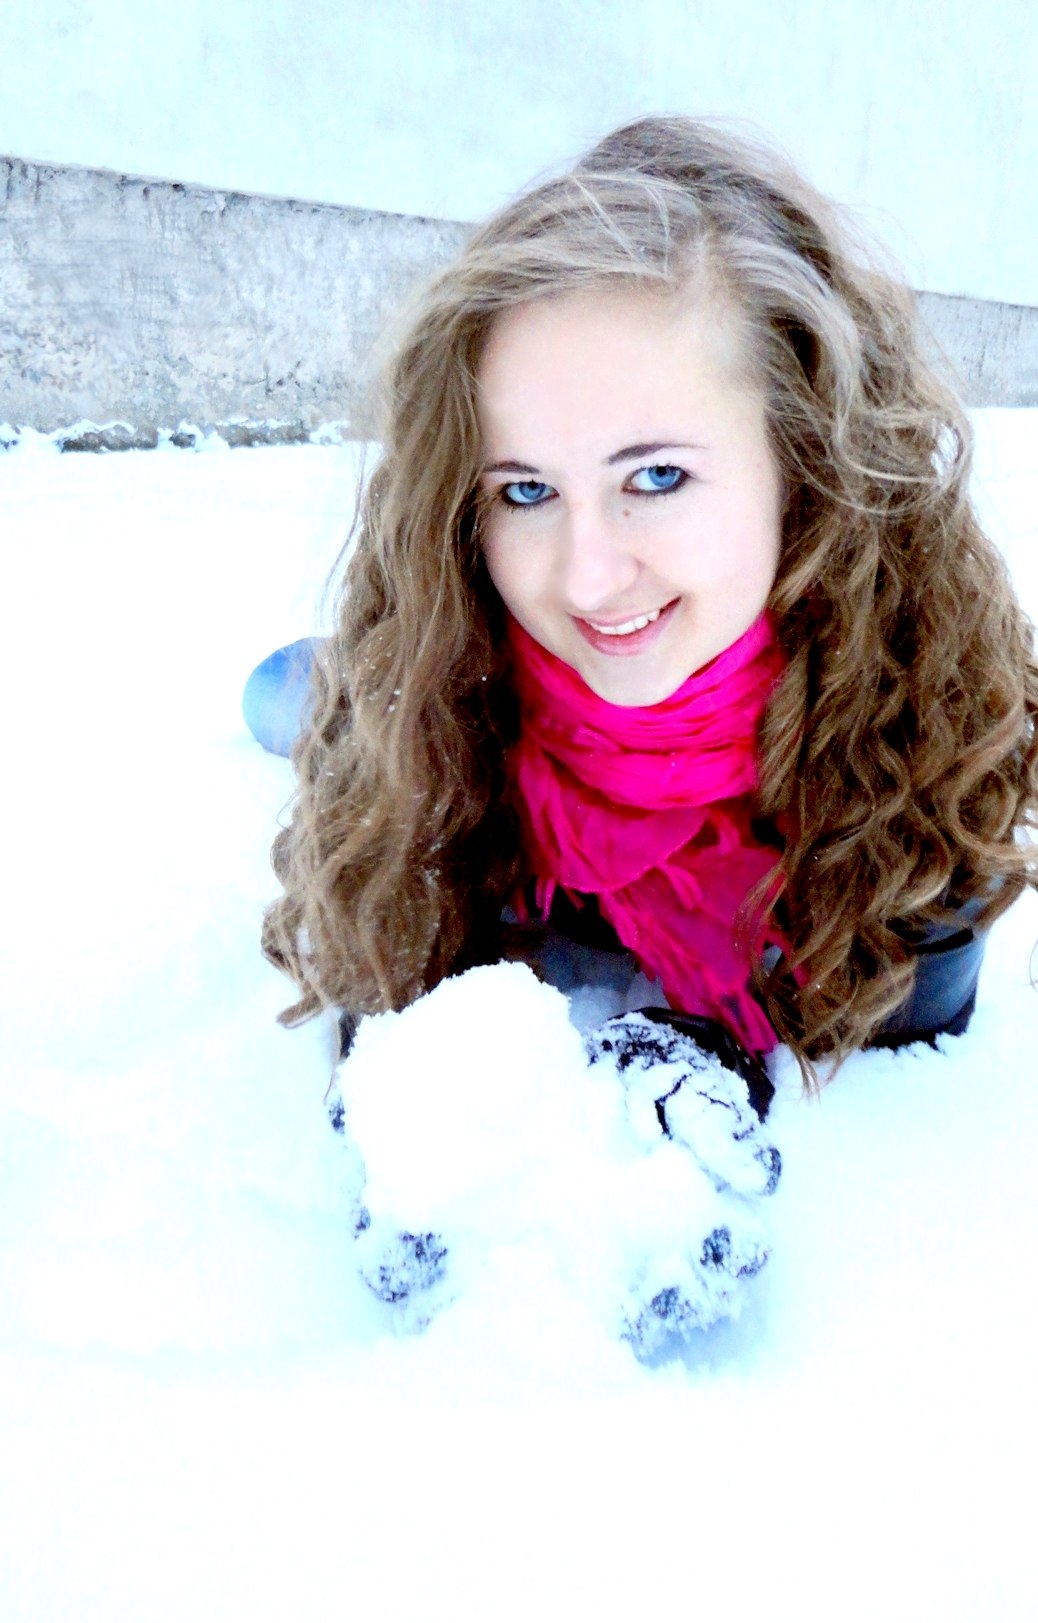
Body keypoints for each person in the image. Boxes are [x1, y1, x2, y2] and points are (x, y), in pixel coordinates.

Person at [250, 117, 1038, 1346]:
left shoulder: (919, 746)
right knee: (289, 700)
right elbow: (389, 925)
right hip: (439, 686)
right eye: (525, 490)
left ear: (805, 465)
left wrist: (690, 1058)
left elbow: (891, 1038)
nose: (586, 574)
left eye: (656, 477)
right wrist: (424, 1098)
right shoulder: (438, 688)